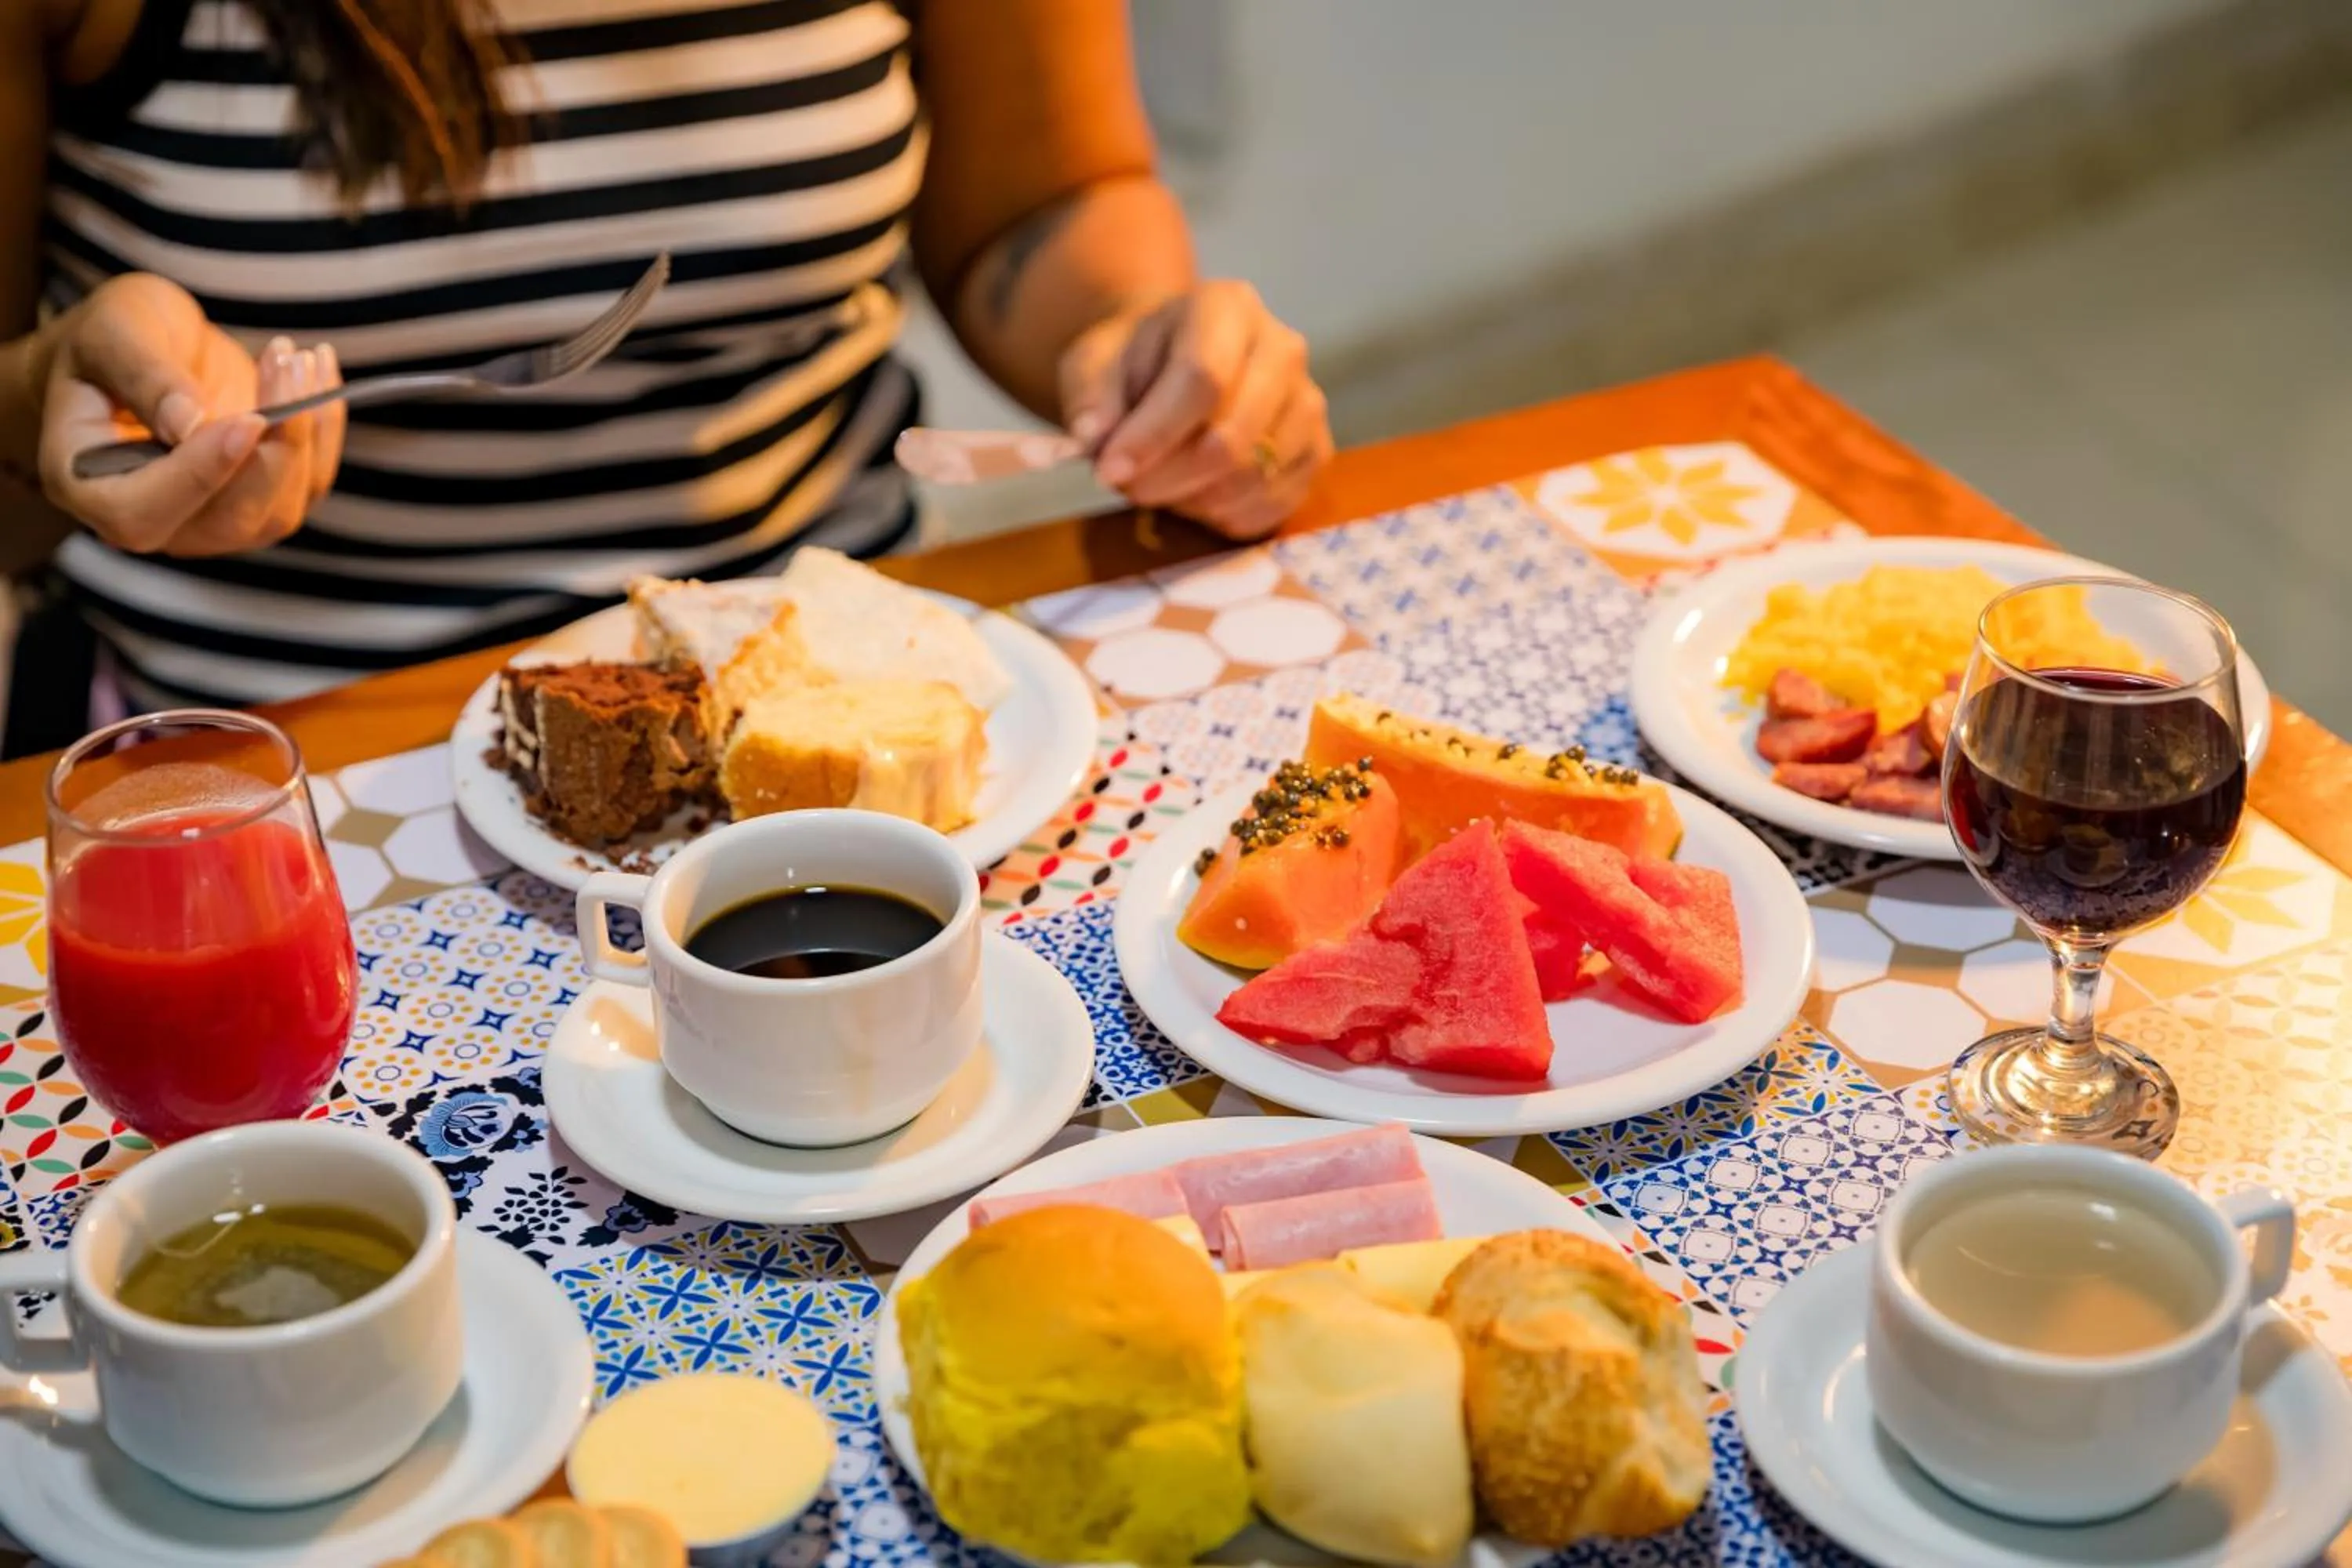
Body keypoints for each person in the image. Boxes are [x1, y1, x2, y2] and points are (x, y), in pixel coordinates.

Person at [0, 0, 1332, 727]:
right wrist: (57, 398)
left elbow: (1038, 203)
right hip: (290, 754)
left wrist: (1136, 341)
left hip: (836, 697)